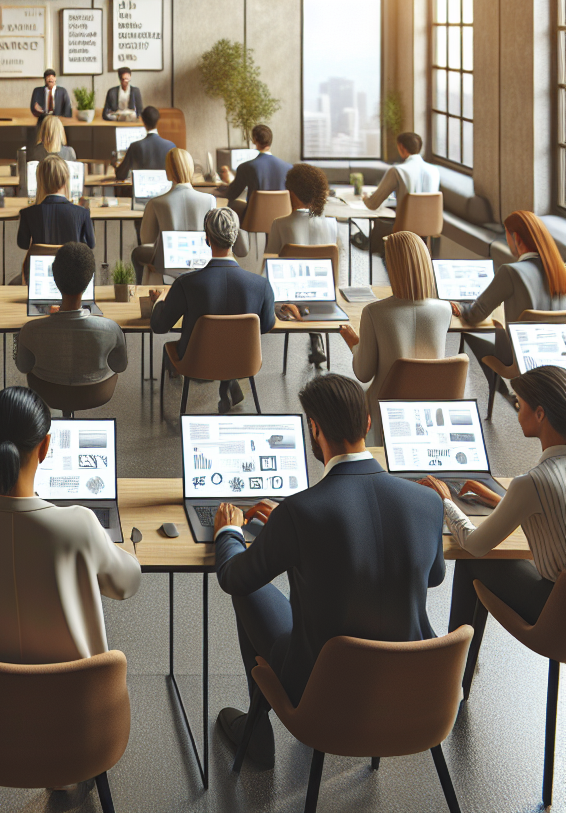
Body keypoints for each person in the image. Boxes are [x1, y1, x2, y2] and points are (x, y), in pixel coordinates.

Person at [213, 374, 445, 768]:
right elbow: (434, 575)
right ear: (368, 423)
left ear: (315, 429)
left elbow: (234, 577)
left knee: (246, 586)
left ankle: (257, 734)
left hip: (323, 691)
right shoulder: (426, 501)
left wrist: (229, 532)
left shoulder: (301, 511)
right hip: (414, 688)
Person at [0, 386, 141, 663]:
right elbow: (127, 584)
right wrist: (127, 549)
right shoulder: (81, 524)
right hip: (74, 702)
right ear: (45, 447)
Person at [418, 366, 566, 683]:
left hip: (556, 617)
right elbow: (556, 514)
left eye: (519, 405)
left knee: (473, 561)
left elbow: (474, 543)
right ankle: (458, 667)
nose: (516, 412)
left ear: (540, 413)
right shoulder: (539, 483)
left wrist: (444, 500)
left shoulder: (534, 482)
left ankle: (452, 672)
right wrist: (503, 501)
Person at [148, 206, 281, 414]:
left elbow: (159, 326)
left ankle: (227, 383)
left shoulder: (186, 283)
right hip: (244, 361)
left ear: (207, 238)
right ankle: (229, 381)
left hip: (196, 362)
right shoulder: (261, 285)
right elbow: (266, 325)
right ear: (235, 238)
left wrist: (160, 301)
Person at [338, 230, 451, 439]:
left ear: (392, 267)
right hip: (431, 410)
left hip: (384, 410)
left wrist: (355, 344)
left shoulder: (374, 312)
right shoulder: (445, 310)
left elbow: (363, 373)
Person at [454, 210, 566, 376]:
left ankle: (505, 393)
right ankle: (517, 397)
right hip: (558, 360)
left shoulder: (511, 272)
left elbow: (475, 314)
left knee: (470, 336)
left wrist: (459, 307)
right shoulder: (560, 271)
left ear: (517, 238)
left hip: (520, 361)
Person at [15, 242, 128, 387]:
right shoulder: (112, 329)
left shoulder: (29, 330)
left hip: (47, 392)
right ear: (89, 280)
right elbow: (120, 366)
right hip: (95, 394)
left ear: (54, 279)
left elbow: (23, 366)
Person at [266, 163, 339, 366]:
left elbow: (269, 265)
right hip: (325, 295)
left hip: (289, 297)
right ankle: (316, 338)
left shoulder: (280, 224)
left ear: (292, 193)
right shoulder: (332, 224)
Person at [131, 147, 217, 284]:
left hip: (165, 274)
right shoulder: (210, 200)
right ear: (191, 169)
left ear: (168, 172)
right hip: (202, 270)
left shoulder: (155, 203)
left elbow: (147, 241)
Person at [355, 131, 440, 251]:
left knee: (376, 227)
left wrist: (365, 197)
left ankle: (383, 258)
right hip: (430, 228)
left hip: (404, 228)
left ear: (401, 147)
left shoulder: (397, 171)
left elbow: (373, 204)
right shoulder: (434, 170)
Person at [16, 155, 95, 260]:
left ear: (40, 181)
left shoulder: (28, 213)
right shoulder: (82, 213)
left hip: (39, 273)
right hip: (72, 273)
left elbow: (23, 244)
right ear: (66, 179)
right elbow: (91, 244)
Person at [218, 124, 292, 221]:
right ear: (270, 141)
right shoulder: (289, 168)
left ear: (254, 140)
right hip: (282, 217)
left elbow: (231, 194)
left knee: (233, 204)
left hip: (255, 219)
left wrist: (225, 184)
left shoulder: (246, 167)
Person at [114, 106, 173, 182]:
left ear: (143, 121)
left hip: (141, 191)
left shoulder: (134, 146)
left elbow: (121, 175)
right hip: (165, 191)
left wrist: (114, 165)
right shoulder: (171, 146)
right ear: (158, 121)